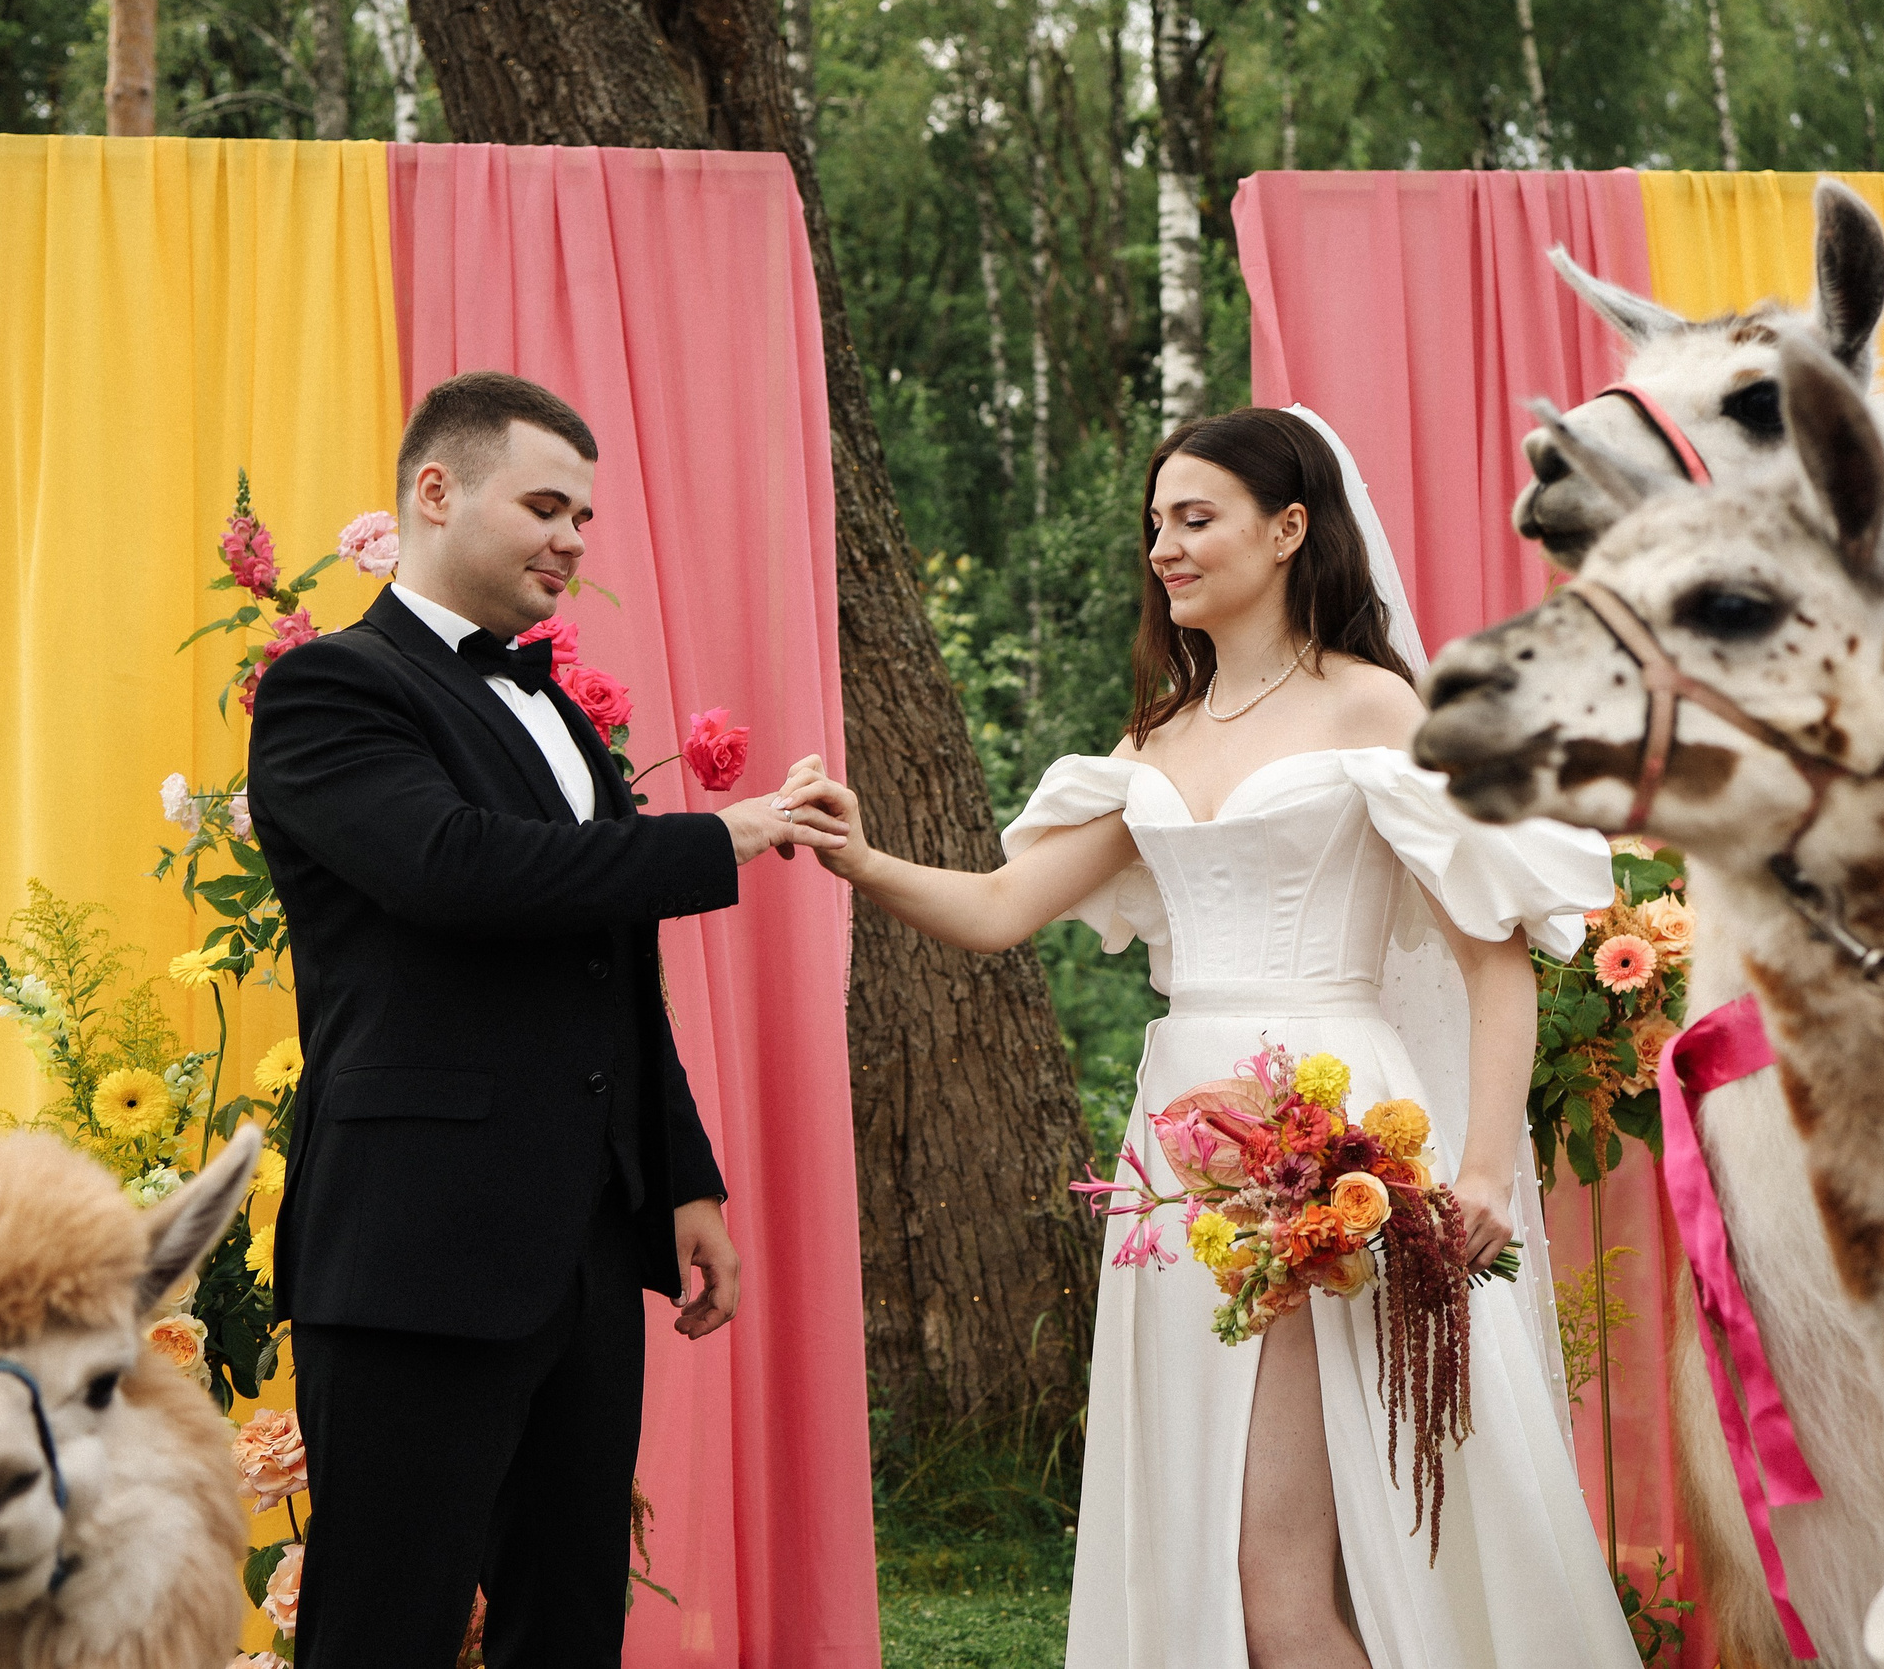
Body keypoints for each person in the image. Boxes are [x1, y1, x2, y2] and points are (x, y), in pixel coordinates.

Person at [779, 407, 1638, 1669]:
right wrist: (860, 857)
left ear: (1288, 529)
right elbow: (1001, 908)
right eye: (1155, 524)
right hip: (1180, 1159)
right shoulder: (1157, 736)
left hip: (1327, 1142)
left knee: (1274, 1586)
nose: (1163, 548)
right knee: (1204, 1555)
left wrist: (1485, 1173)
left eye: (1194, 518)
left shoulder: (1374, 707)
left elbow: (1491, 959)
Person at [246, 371, 839, 1669]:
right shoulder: (328, 690)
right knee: (383, 1627)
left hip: (582, 1247)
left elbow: (608, 969)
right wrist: (721, 835)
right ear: (436, 491)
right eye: (546, 507)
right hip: (411, 1247)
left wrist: (681, 1178)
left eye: (584, 516)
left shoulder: (558, 710)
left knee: (568, 1620)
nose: (573, 539)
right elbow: (453, 869)